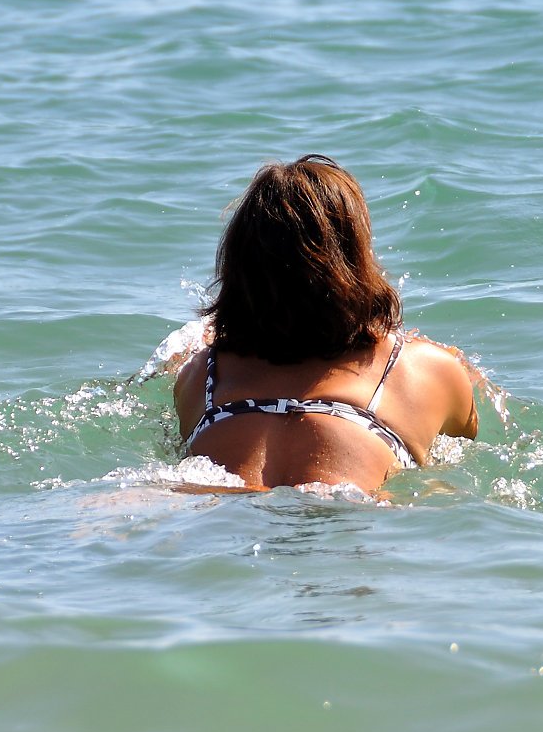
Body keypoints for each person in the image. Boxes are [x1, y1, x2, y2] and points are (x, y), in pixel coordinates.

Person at [171, 156, 480, 493]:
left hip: (219, 501)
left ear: (237, 266)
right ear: (354, 260)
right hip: (349, 505)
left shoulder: (199, 376)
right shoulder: (427, 370)